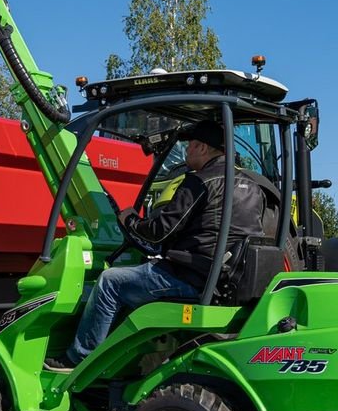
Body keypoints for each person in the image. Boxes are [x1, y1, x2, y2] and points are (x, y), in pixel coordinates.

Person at [48, 120, 270, 371]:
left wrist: (129, 219)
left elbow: (159, 233)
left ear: (201, 147)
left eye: (189, 147)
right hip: (226, 280)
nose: (186, 153)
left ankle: (78, 358)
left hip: (190, 278)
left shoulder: (199, 182)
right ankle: (124, 362)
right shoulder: (253, 187)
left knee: (110, 282)